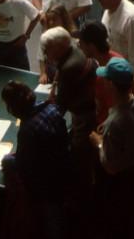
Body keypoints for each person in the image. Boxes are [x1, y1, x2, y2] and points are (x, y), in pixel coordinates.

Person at [88, 57, 134, 239]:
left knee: (120, 217)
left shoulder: (115, 122)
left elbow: (110, 167)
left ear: (111, 85)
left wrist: (99, 142)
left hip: (120, 178)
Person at [0, 81, 70, 239]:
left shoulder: (27, 131)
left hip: (46, 187)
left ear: (14, 109)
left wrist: (12, 160)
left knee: (53, 222)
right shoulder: (52, 108)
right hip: (64, 168)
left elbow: (24, 168)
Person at [40, 27, 96, 201]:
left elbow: (60, 107)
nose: (44, 53)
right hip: (87, 105)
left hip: (83, 114)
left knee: (79, 152)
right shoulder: (75, 51)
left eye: (46, 49)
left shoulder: (69, 68)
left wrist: (41, 118)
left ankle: (83, 193)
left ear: (58, 48)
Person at [77, 21, 123, 125]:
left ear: (92, 46)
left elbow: (115, 109)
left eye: (81, 43)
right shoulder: (116, 57)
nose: (79, 45)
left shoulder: (105, 77)